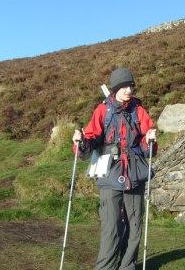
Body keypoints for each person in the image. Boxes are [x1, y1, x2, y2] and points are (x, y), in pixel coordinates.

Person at [72, 67, 157, 270]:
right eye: (124, 86)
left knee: (135, 226)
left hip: (134, 173)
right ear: (115, 88)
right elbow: (92, 137)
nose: (129, 89)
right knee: (111, 227)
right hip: (110, 172)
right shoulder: (103, 110)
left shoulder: (138, 110)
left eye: (131, 86)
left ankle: (127, 267)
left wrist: (150, 140)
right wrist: (81, 141)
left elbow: (147, 143)